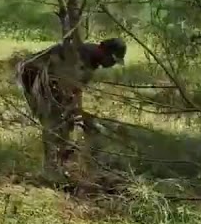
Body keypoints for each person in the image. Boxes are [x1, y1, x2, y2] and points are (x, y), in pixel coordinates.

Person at [16, 37, 126, 178]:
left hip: (51, 81)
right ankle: (51, 167)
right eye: (113, 60)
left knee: (64, 121)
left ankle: (61, 163)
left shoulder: (92, 59)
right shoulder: (80, 56)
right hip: (33, 75)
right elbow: (65, 79)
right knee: (52, 121)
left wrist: (77, 111)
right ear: (105, 52)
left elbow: (76, 89)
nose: (111, 65)